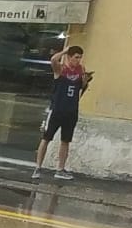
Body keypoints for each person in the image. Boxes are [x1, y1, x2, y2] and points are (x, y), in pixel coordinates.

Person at [34, 44, 92, 181]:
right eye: (76, 57)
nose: (78, 60)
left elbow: (81, 88)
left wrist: (85, 81)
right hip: (57, 109)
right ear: (70, 57)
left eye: (80, 57)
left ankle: (60, 169)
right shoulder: (61, 69)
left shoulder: (80, 70)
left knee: (65, 140)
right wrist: (65, 51)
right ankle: (38, 167)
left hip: (71, 110)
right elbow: (53, 60)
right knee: (46, 138)